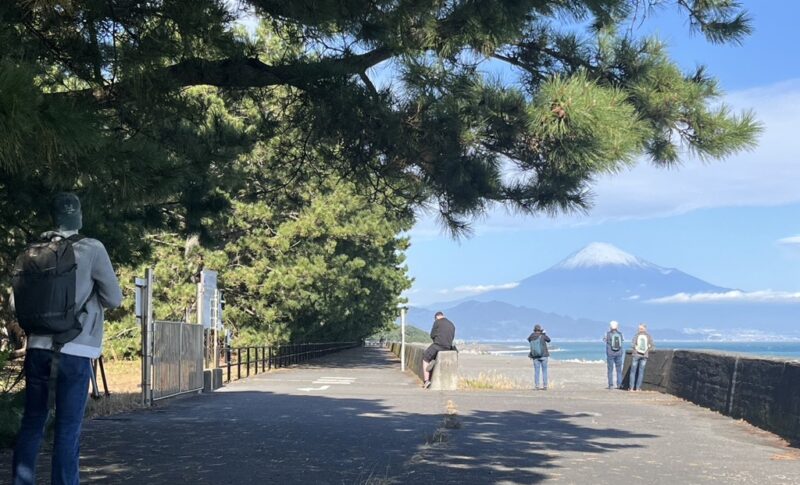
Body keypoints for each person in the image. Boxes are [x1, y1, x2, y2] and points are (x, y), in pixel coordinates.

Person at [12, 193, 122, 485]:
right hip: (76, 349)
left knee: (32, 423)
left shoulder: (32, 252)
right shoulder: (92, 248)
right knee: (67, 429)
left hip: (37, 350)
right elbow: (114, 297)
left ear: (54, 217)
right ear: (80, 217)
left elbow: (15, 304)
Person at [422, 311, 455, 389]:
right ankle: (434, 361)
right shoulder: (451, 324)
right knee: (434, 355)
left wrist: (435, 340)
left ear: (436, 317)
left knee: (425, 358)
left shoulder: (437, 322)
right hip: (448, 347)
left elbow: (432, 335)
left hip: (438, 345)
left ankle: (426, 381)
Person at [629, 323, 654, 391]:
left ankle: (631, 388)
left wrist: (636, 348)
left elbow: (632, 345)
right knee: (641, 372)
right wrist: (647, 349)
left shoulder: (636, 335)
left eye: (639, 328)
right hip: (644, 355)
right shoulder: (648, 336)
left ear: (640, 329)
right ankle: (638, 388)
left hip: (636, 355)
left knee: (633, 372)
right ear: (645, 329)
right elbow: (652, 346)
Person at [527, 324, 551, 390]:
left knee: (537, 371)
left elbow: (528, 340)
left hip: (535, 356)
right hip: (544, 355)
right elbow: (549, 340)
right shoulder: (542, 336)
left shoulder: (531, 336)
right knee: (544, 371)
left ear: (534, 330)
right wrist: (544, 333)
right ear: (540, 329)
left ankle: (537, 386)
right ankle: (545, 386)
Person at [603, 320, 625, 389]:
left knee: (610, 370)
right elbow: (622, 341)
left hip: (610, 353)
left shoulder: (607, 334)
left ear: (610, 326)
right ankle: (619, 384)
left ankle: (610, 385)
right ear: (617, 326)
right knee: (619, 370)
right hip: (619, 353)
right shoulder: (620, 334)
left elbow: (604, 340)